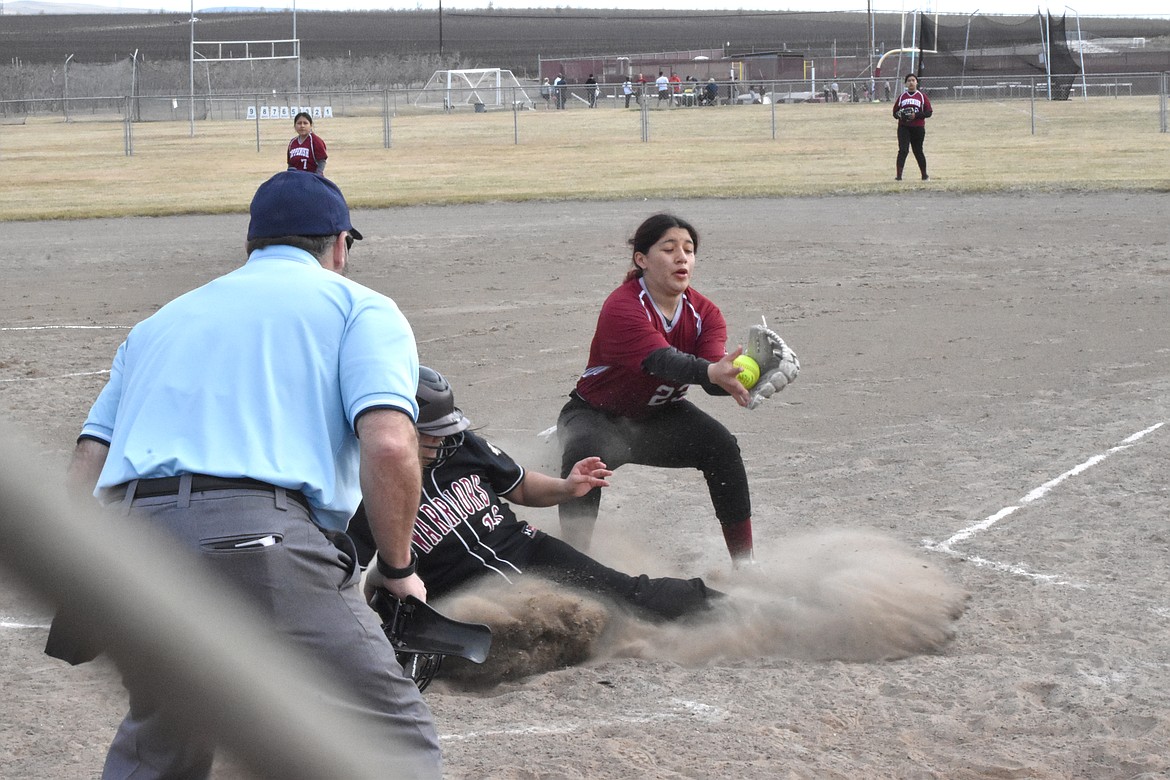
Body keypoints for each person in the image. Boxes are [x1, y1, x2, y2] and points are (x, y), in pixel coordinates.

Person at [60, 170, 441, 779]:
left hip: (136, 540)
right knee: (391, 736)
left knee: (167, 740)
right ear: (339, 244)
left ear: (251, 245)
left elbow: (89, 461)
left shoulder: (159, 323)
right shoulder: (359, 306)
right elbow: (393, 444)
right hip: (257, 539)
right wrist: (398, 570)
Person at [348, 367, 721, 622]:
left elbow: (521, 485)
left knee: (630, 596)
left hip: (531, 549)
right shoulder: (361, 494)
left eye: (447, 427)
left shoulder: (460, 446)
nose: (444, 438)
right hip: (462, 595)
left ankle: (731, 608)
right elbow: (352, 580)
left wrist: (565, 487)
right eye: (432, 431)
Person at [555, 214, 799, 566]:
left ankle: (745, 566)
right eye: (669, 249)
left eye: (689, 250)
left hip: (659, 418)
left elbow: (711, 378)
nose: (682, 257)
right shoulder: (623, 307)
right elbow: (662, 361)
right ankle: (575, 567)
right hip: (597, 415)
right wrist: (712, 371)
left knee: (722, 447)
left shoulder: (705, 313)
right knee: (586, 458)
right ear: (641, 259)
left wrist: (743, 376)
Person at [893, 72, 933, 181]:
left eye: (913, 80)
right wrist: (900, 115)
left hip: (918, 128)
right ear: (905, 83)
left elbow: (929, 112)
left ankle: (924, 175)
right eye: (909, 81)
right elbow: (894, 113)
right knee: (903, 150)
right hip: (904, 127)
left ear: (916, 82)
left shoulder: (922, 96)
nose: (911, 82)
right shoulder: (902, 97)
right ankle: (899, 177)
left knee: (918, 150)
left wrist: (916, 115)